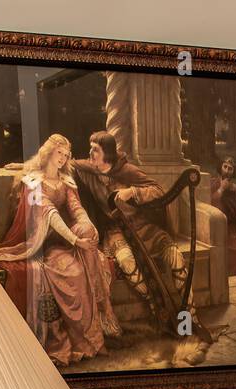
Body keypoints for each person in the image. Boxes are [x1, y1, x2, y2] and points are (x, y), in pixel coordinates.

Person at [0, 133, 120, 367]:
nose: (63, 158)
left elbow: (76, 209)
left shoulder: (66, 182)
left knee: (86, 235)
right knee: (77, 274)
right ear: (49, 152)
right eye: (59, 153)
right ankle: (85, 339)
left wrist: (88, 227)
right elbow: (49, 213)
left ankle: (92, 339)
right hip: (43, 244)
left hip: (66, 243)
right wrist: (75, 241)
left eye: (66, 155)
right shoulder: (34, 184)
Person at [72, 131, 210, 341]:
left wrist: (133, 192)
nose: (91, 153)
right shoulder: (89, 171)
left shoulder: (127, 170)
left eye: (95, 150)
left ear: (107, 153)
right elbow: (69, 164)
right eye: (90, 148)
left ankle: (189, 317)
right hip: (117, 231)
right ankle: (157, 307)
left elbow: (158, 190)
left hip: (145, 228)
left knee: (176, 258)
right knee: (127, 263)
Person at [210, 158, 236, 276]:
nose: (227, 170)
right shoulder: (212, 183)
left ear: (233, 172)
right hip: (216, 227)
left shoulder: (235, 189)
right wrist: (221, 189)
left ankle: (235, 279)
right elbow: (210, 203)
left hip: (231, 229)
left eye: (230, 169)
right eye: (225, 167)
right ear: (220, 167)